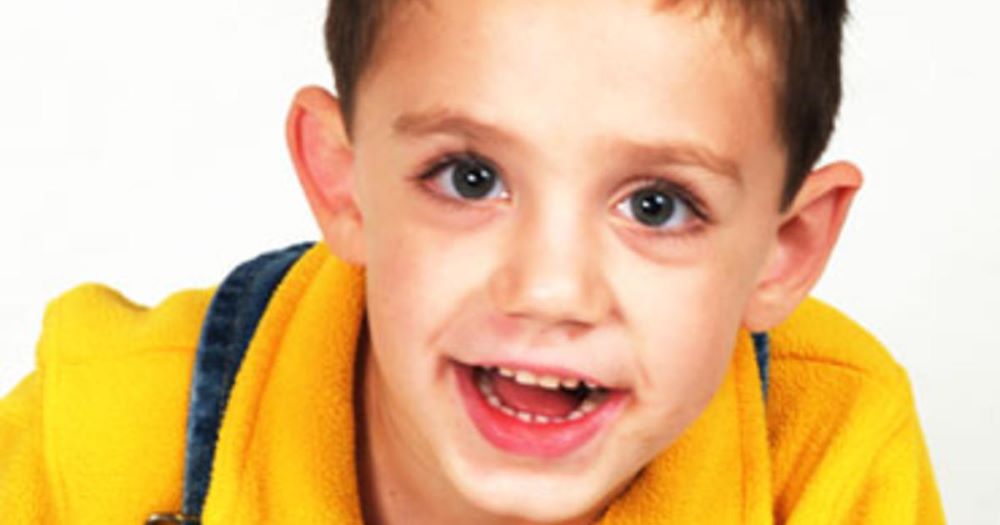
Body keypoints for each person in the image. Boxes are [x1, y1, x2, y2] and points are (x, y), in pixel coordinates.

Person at [0, 0, 945, 523]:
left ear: (785, 249)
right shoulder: (103, 437)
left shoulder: (828, 452)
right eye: (470, 177)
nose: (549, 287)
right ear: (343, 181)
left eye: (656, 205)